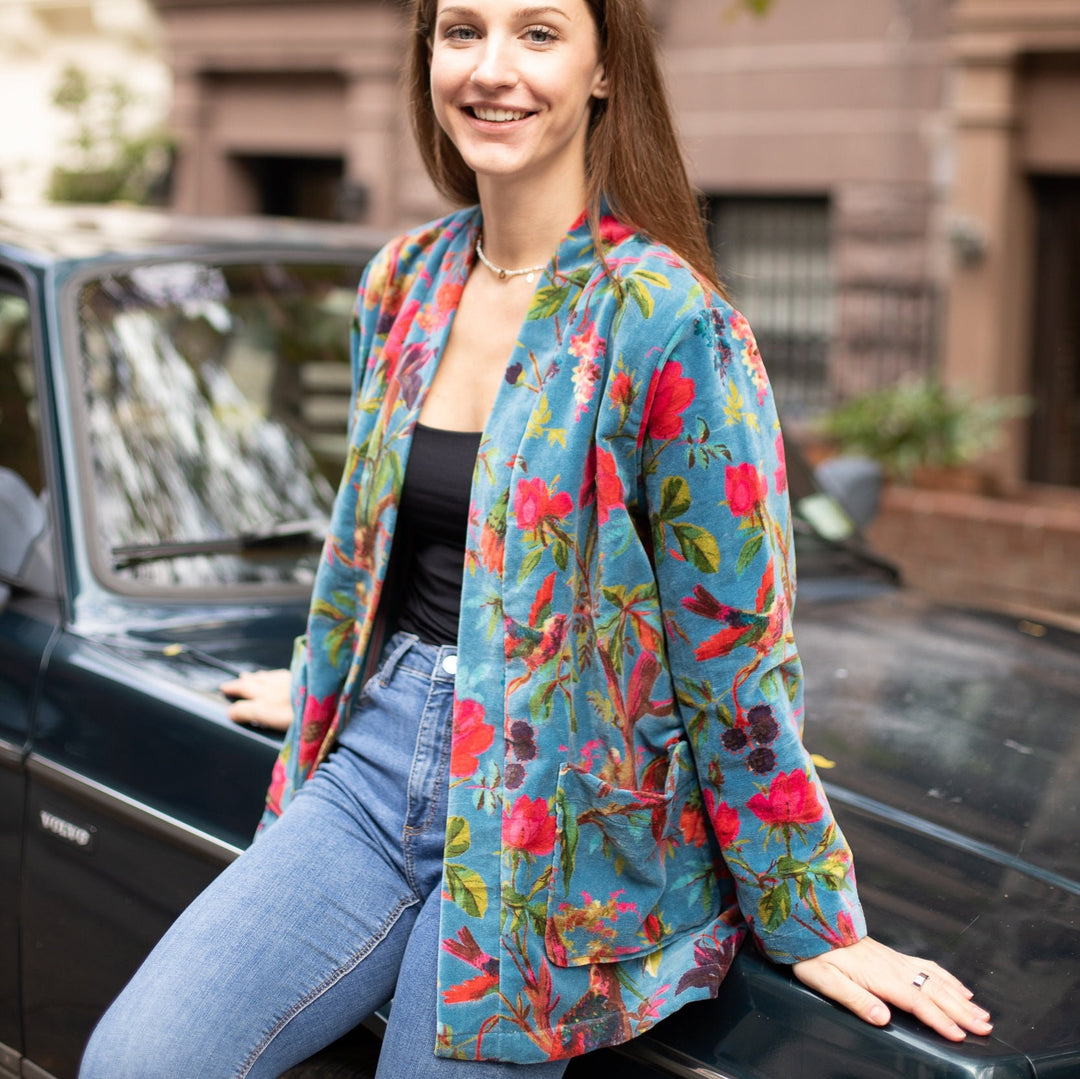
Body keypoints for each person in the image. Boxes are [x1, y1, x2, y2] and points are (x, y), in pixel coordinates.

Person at [81, 0, 993, 1075]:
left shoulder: (668, 321)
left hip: (557, 822)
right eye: (461, 30)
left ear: (606, 68)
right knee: (137, 1058)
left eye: (540, 32)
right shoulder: (405, 282)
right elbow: (376, 549)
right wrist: (332, 679)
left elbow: (733, 651)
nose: (492, 68)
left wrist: (813, 913)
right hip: (379, 766)